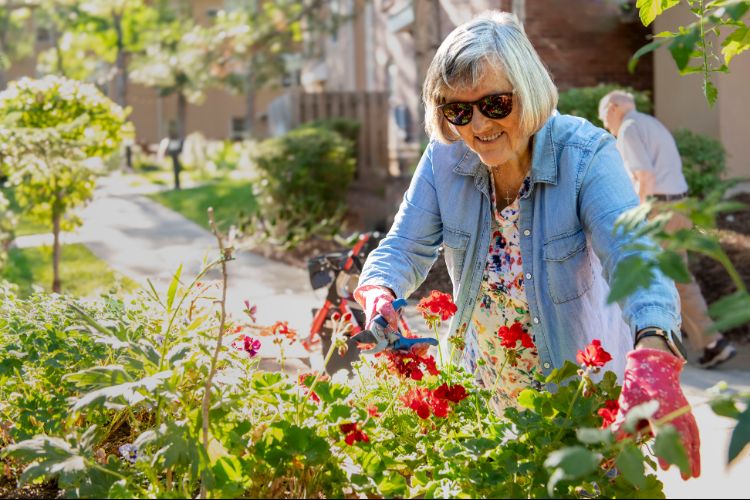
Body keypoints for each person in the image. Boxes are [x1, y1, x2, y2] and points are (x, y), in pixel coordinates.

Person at [354, 11, 700, 479]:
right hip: (482, 395)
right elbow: (404, 246)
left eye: (496, 104)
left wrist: (655, 347)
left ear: (529, 91)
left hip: (576, 400)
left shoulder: (585, 154)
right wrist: (380, 290)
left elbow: (634, 257)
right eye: (459, 110)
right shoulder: (445, 157)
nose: (478, 126)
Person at [598, 90, 737, 369]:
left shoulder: (628, 128)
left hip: (658, 210)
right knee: (676, 278)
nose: (606, 127)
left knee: (652, 279)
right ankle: (710, 343)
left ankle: (670, 349)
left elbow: (644, 177)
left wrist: (635, 217)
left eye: (605, 120)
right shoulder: (651, 123)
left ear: (614, 108)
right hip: (678, 205)